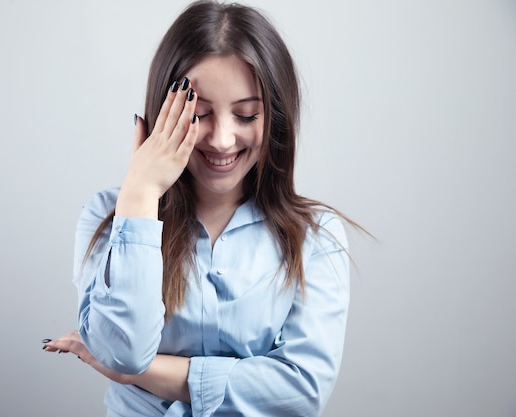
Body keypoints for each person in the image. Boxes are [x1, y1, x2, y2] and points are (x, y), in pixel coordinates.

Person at [43, 1, 358, 415]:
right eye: (201, 114)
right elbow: (123, 349)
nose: (223, 139)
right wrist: (141, 191)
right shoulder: (108, 218)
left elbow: (299, 392)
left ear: (275, 118)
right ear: (165, 112)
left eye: (246, 115)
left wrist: (144, 373)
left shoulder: (318, 235)